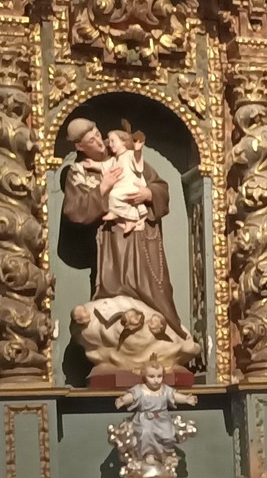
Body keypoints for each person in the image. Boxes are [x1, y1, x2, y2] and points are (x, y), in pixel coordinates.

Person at [61, 116, 191, 343]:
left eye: (97, 135)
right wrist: (103, 186)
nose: (100, 142)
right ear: (80, 147)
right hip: (112, 238)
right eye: (91, 141)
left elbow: (159, 185)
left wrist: (148, 194)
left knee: (155, 287)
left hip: (143, 235)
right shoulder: (79, 172)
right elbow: (75, 210)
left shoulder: (123, 155)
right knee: (117, 284)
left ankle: (170, 329)